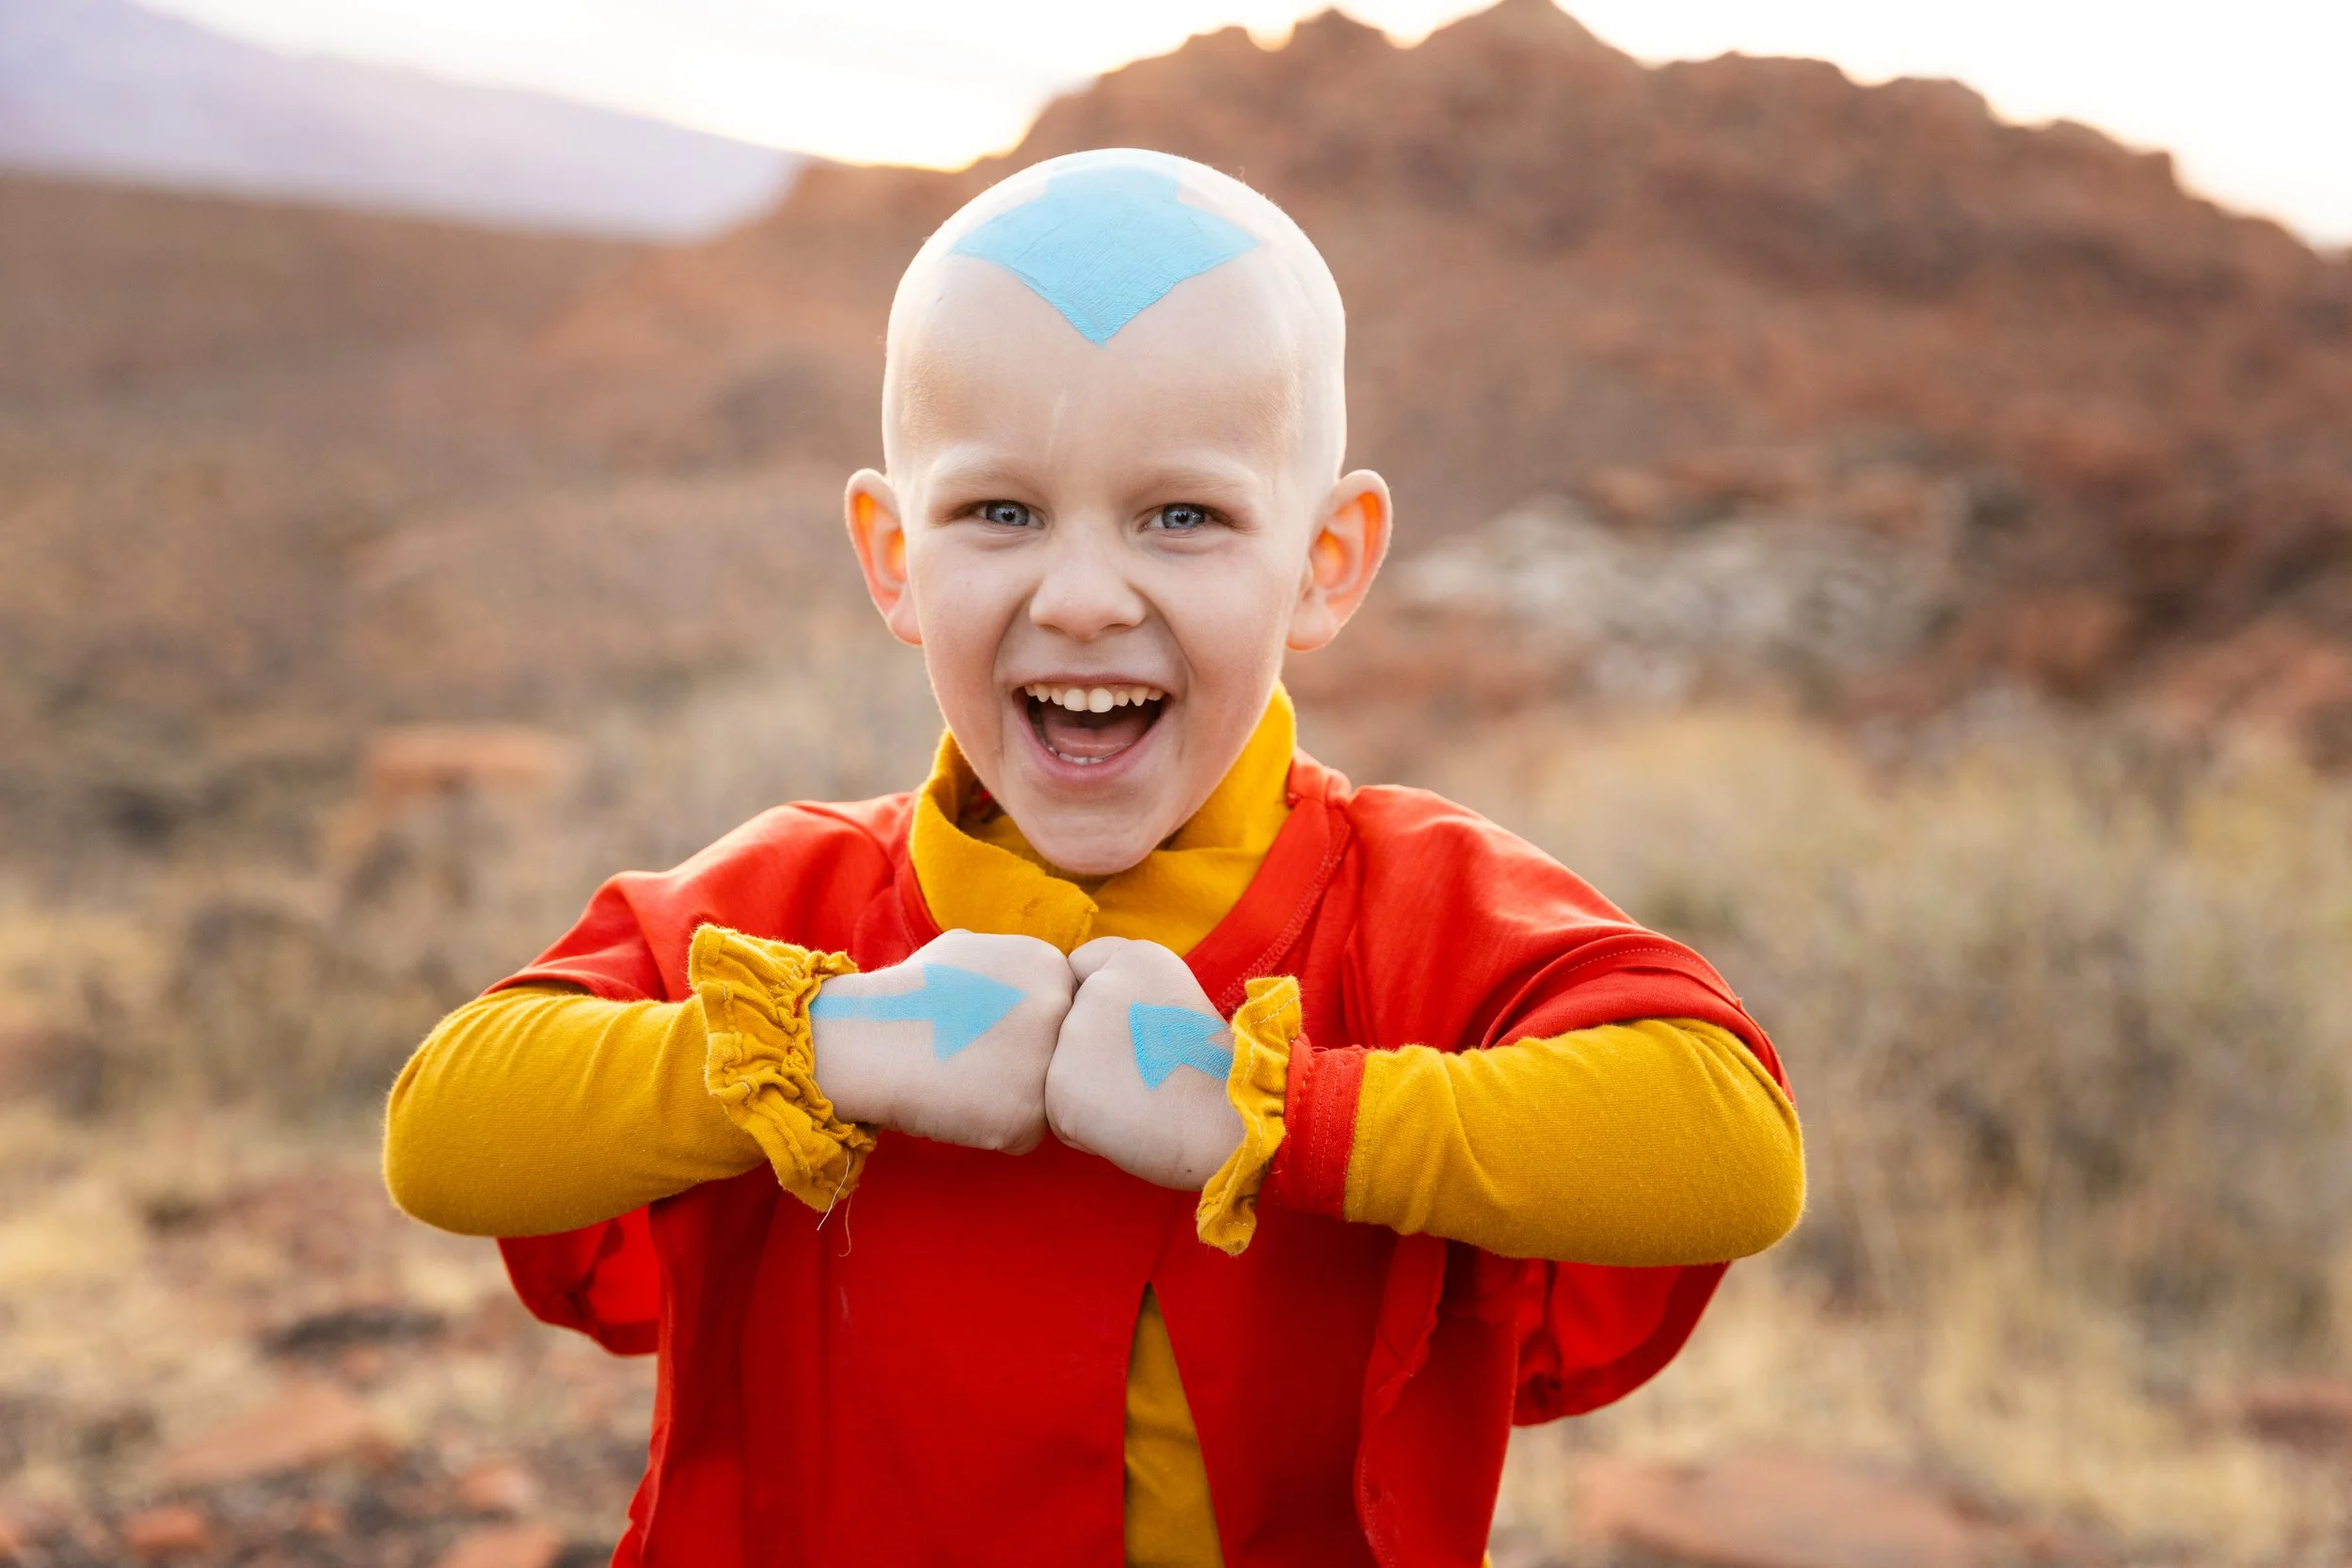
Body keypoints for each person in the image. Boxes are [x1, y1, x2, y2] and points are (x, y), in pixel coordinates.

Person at [383, 148, 1804, 1568]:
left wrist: (1275, 1112)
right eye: (1000, 512)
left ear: (1326, 561)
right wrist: (822, 1046)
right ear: (893, 554)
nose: (1078, 599)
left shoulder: (1409, 900)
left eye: (1184, 516)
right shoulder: (794, 911)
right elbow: (445, 1130)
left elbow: (1730, 1143)